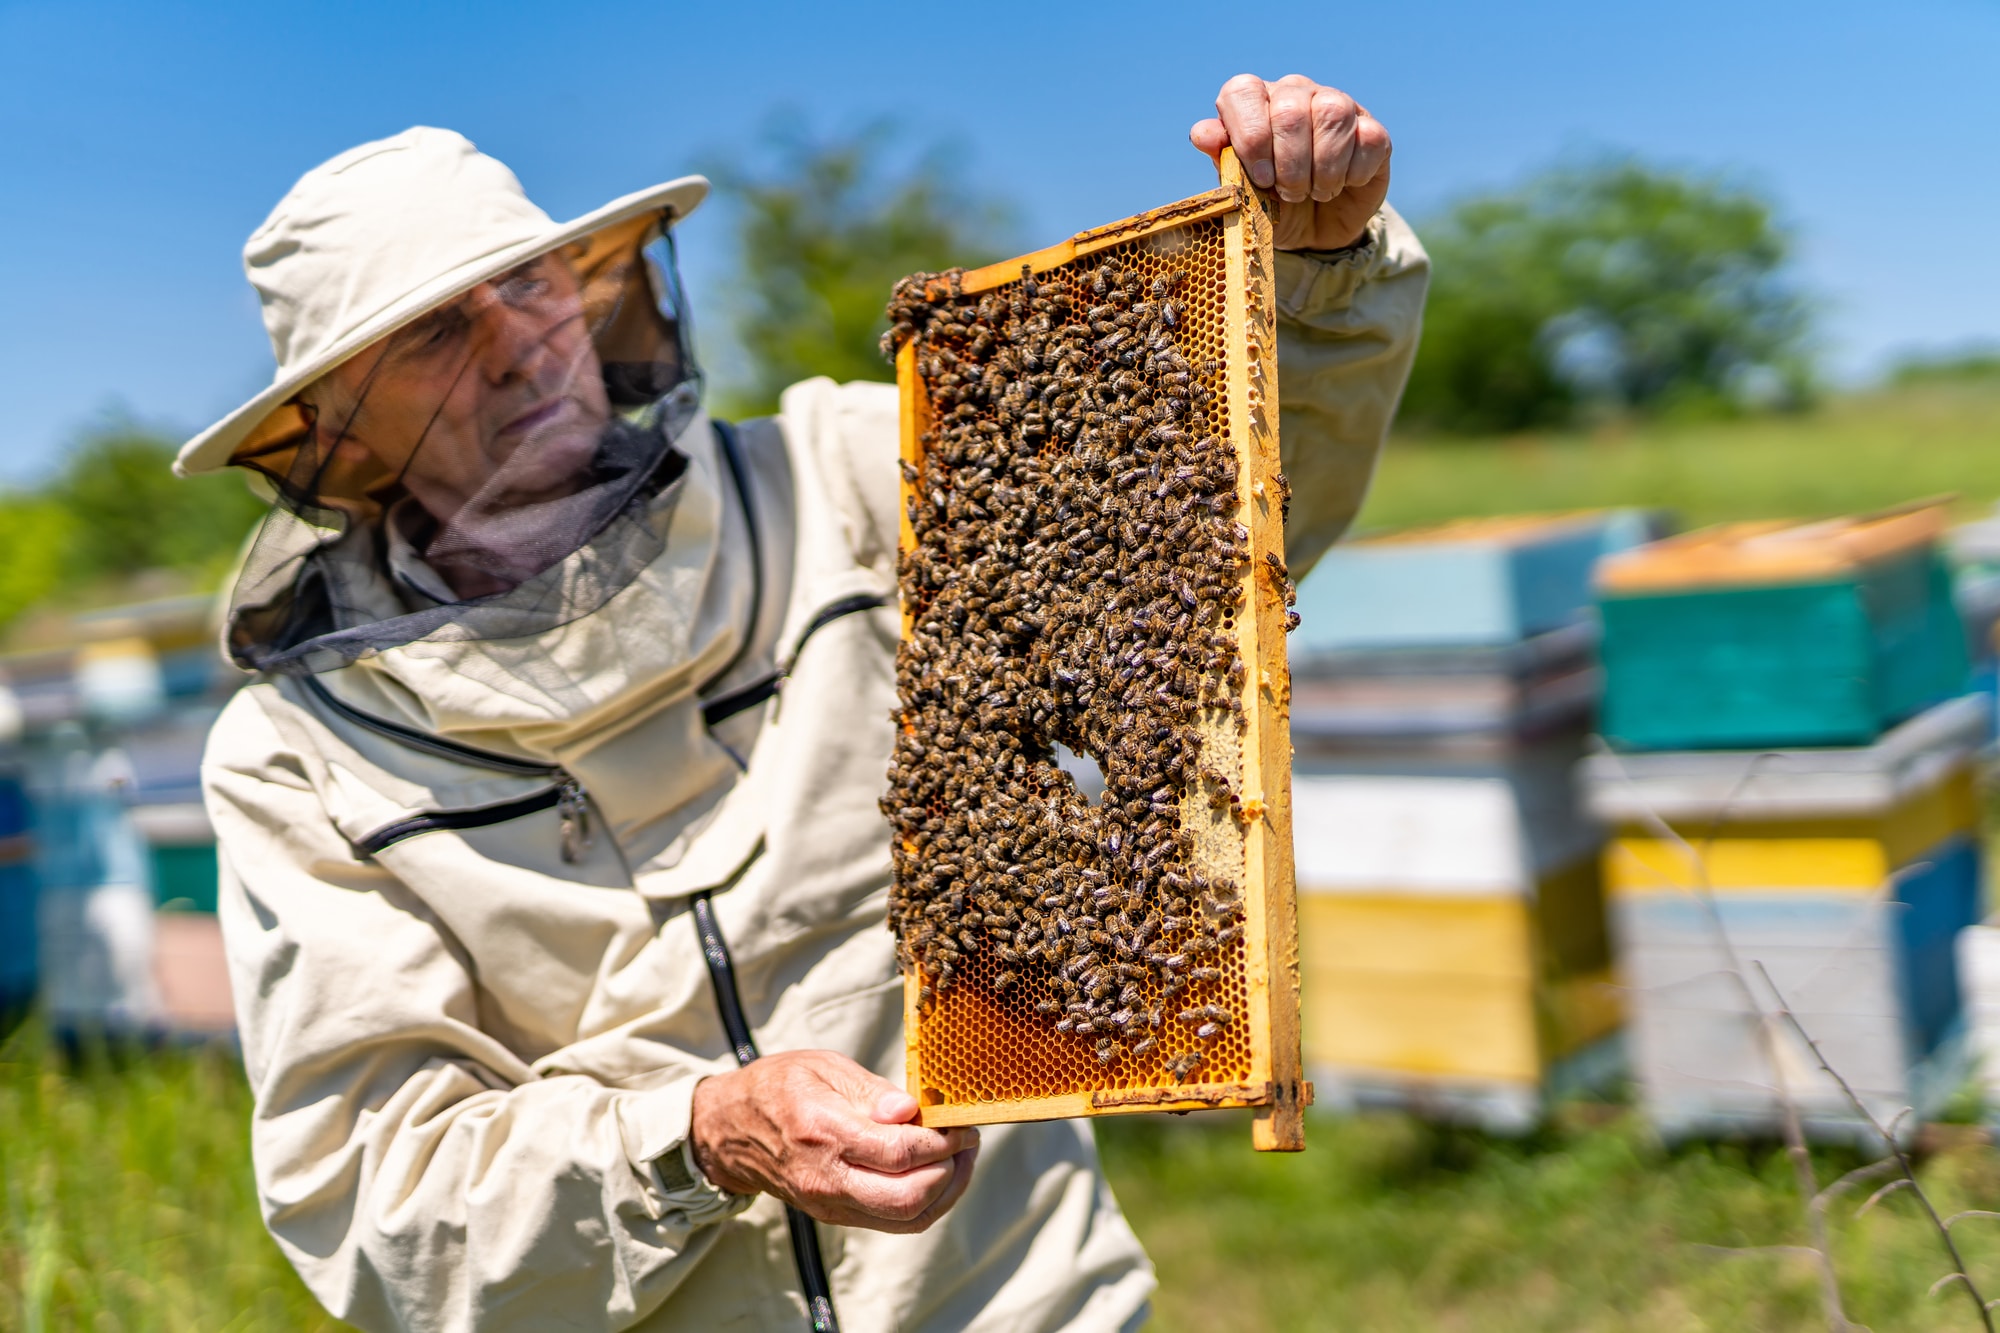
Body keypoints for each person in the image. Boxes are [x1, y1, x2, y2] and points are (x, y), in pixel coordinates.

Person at [183, 73, 1429, 1331]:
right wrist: (697, 1133)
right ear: (336, 423)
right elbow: (373, 1203)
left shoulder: (842, 479)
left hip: (1023, 1302)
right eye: (436, 334)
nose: (515, 349)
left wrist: (1317, 276)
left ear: (592, 289)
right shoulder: (302, 758)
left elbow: (1197, 553)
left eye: (527, 284)